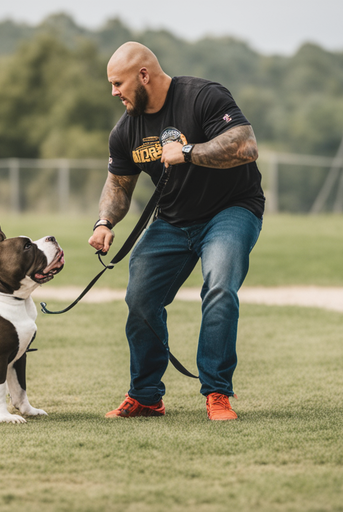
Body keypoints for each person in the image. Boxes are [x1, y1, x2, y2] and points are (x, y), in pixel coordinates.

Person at [89, 42, 264, 421]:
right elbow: (119, 185)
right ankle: (147, 396)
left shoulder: (203, 96)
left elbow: (245, 145)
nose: (114, 92)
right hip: (172, 220)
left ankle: (217, 393)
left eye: (118, 83)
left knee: (219, 288)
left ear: (144, 76)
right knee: (140, 299)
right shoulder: (126, 131)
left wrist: (188, 152)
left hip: (231, 210)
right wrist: (105, 222)